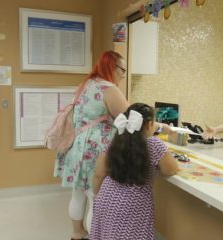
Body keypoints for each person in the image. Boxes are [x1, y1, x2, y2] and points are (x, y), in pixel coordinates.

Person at [54, 51, 173, 240]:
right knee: (96, 199)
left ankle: (77, 234)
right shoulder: (108, 89)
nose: (124, 74)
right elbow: (136, 121)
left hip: (76, 148)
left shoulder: (85, 85)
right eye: (122, 70)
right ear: (111, 67)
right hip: (95, 150)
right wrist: (163, 127)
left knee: (77, 195)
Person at [90, 103, 179, 240]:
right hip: (132, 206)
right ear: (149, 125)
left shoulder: (115, 142)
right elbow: (171, 169)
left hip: (106, 199)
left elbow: (99, 174)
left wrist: (96, 194)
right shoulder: (153, 144)